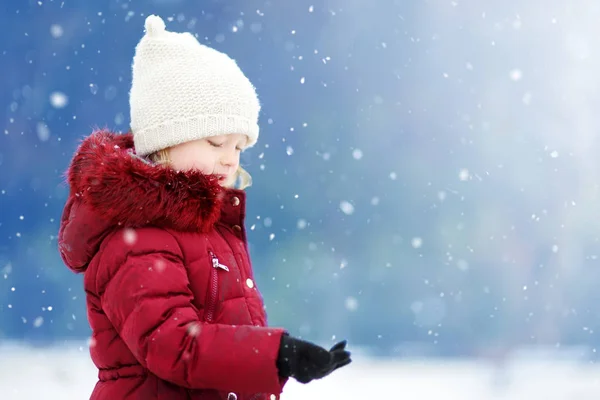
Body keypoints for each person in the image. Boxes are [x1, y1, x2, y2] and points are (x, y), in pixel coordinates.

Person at [57, 14, 351, 400]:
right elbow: (173, 345)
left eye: (238, 147)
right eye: (216, 143)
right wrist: (277, 354)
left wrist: (279, 358)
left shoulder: (211, 231)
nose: (230, 159)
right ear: (164, 143)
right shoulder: (136, 238)